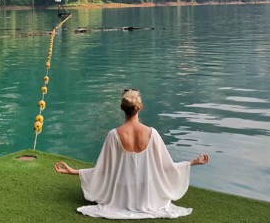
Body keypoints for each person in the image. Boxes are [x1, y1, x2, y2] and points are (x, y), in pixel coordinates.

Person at [55, 88, 209, 219]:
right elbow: (165, 166)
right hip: (146, 191)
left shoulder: (113, 135)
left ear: (122, 108)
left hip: (122, 191)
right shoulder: (152, 133)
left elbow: (102, 170)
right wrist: (193, 162)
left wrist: (74, 171)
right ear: (140, 107)